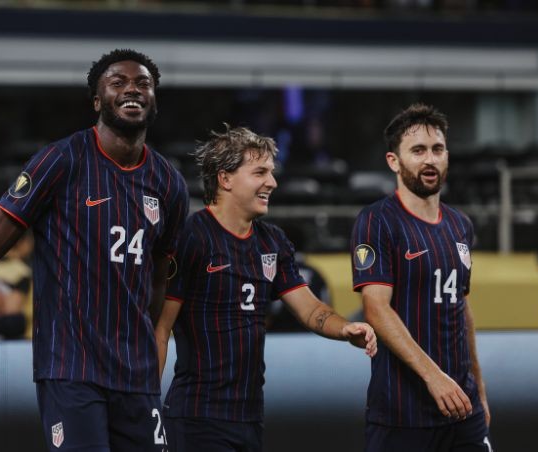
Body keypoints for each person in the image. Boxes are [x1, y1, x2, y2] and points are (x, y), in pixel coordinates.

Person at [0, 49, 189, 452]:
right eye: (118, 82)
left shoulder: (169, 183)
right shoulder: (61, 161)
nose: (132, 89)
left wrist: (152, 354)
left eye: (143, 83)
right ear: (97, 101)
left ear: (154, 99)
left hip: (137, 378)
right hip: (71, 371)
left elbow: (160, 279)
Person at [155, 125, 377, 452]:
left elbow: (311, 309)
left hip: (249, 417)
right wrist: (147, 403)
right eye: (260, 172)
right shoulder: (191, 237)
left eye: (271, 172)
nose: (272, 182)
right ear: (225, 178)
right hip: (196, 417)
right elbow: (161, 328)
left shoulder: (273, 242)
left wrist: (345, 328)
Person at [350, 103, 492, 451]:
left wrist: (479, 391)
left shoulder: (460, 225)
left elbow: (462, 309)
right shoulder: (376, 221)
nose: (430, 159)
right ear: (393, 161)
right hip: (402, 415)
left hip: (462, 410)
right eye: (418, 151)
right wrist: (434, 377)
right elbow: (376, 309)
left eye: (437, 149)